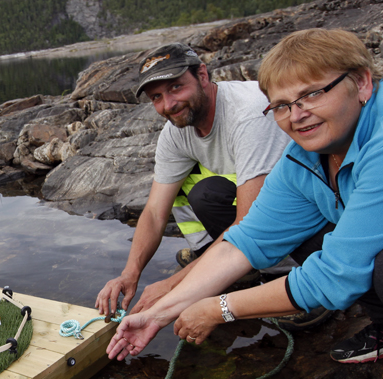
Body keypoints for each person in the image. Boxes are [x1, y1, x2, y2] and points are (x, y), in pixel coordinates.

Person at [108, 28, 383, 364]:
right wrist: (159, 314)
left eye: (312, 94)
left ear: (361, 83)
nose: (297, 115)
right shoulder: (305, 156)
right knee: (299, 227)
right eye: (282, 105)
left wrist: (220, 309)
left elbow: (335, 275)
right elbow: (247, 239)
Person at [96, 43, 292, 319]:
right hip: (251, 213)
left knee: (237, 214)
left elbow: (250, 222)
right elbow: (154, 212)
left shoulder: (248, 113)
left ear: (202, 75)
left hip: (302, 215)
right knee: (182, 184)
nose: (168, 105)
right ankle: (222, 263)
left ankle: (286, 277)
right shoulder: (176, 132)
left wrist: (175, 285)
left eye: (176, 87)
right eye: (156, 97)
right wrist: (130, 274)